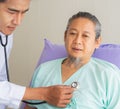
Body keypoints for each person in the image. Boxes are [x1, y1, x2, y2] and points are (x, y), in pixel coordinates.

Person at [24, 11, 120, 109]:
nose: (77, 41)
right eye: (73, 33)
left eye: (85, 36)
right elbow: (30, 106)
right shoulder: (43, 70)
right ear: (65, 36)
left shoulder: (109, 75)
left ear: (97, 41)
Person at [0, 0, 74, 109]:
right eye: (11, 12)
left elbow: (2, 77)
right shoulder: (44, 69)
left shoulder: (5, 32)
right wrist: (44, 94)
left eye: (24, 12)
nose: (18, 21)